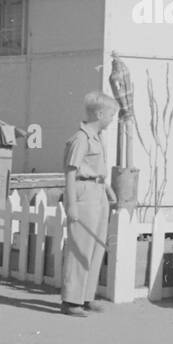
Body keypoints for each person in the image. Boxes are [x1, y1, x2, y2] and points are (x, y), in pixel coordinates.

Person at [60, 92, 119, 317]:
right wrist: (71, 204)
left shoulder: (97, 137)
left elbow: (98, 169)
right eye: (111, 114)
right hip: (83, 194)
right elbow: (70, 172)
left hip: (98, 192)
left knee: (95, 248)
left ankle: (86, 297)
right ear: (100, 113)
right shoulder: (80, 139)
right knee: (80, 247)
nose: (112, 119)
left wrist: (108, 189)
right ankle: (70, 301)